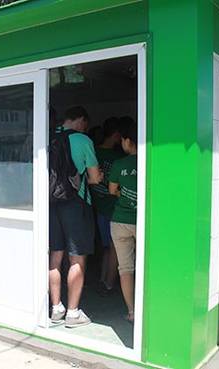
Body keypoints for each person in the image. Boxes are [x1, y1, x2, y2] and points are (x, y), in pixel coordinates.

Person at [49, 106, 103, 328]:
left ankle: (56, 308)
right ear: (81, 120)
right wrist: (98, 175)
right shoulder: (83, 140)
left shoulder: (49, 136)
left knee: (55, 256)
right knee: (77, 258)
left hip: (51, 203)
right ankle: (73, 313)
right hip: (76, 204)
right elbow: (93, 178)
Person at [90, 117, 124, 295]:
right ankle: (109, 284)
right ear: (117, 135)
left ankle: (103, 280)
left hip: (97, 206)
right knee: (114, 247)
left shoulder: (93, 152)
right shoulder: (118, 158)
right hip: (114, 208)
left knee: (106, 247)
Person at [108, 120, 138, 323]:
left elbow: (112, 190)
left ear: (128, 141)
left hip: (120, 221)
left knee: (125, 268)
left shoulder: (120, 164)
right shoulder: (149, 161)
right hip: (142, 221)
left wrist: (123, 195)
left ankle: (132, 312)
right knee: (147, 265)